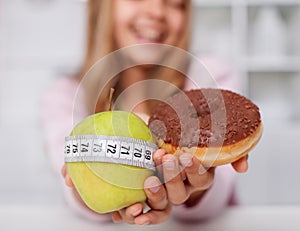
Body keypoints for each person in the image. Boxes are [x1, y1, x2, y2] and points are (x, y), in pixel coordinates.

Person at [41, 0, 249, 226]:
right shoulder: (65, 96)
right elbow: (73, 186)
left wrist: (196, 189)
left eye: (175, 3)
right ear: (100, 6)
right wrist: (88, 188)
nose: (157, 11)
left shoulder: (211, 77)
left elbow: (222, 187)